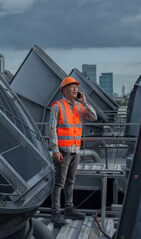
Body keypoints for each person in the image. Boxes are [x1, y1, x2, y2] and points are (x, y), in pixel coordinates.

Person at [49, 76, 97, 226]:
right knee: (59, 183)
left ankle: (69, 208)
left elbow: (94, 117)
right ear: (64, 90)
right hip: (62, 151)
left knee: (70, 181)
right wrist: (55, 150)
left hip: (75, 150)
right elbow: (51, 129)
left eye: (76, 86)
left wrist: (84, 101)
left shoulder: (79, 107)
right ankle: (56, 213)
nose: (75, 89)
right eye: (71, 86)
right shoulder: (57, 106)